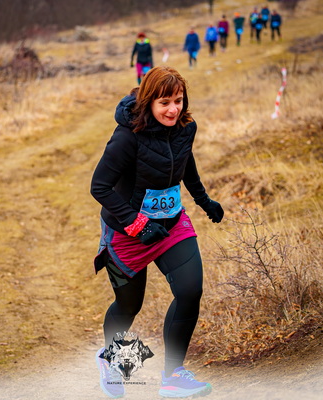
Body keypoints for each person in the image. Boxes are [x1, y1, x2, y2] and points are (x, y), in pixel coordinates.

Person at [91, 66, 224, 399]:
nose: (173, 109)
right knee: (128, 306)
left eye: (178, 100)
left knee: (190, 291)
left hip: (170, 225)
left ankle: (173, 376)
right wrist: (137, 224)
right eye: (165, 102)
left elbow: (185, 162)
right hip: (125, 233)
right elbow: (100, 186)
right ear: (149, 101)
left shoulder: (185, 128)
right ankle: (109, 358)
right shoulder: (127, 137)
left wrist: (204, 200)